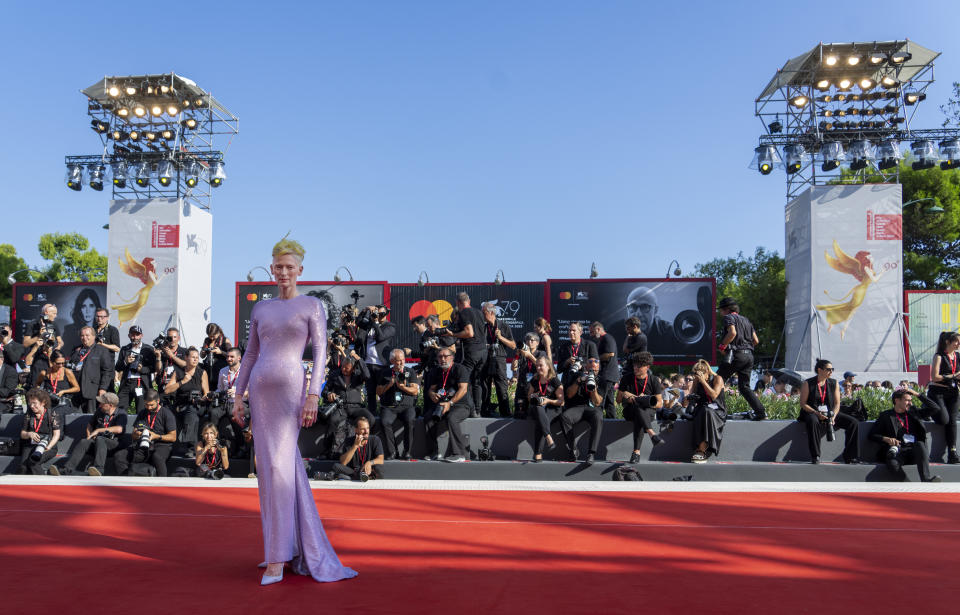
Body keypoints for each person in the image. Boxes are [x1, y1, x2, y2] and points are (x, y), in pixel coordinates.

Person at [231, 236, 357, 585]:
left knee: (279, 466)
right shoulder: (261, 309)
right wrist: (237, 395)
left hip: (291, 390)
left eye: (289, 267)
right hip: (259, 389)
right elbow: (251, 355)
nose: (283, 272)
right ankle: (281, 547)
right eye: (278, 266)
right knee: (271, 469)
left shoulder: (311, 306)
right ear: (271, 269)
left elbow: (320, 354)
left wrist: (313, 394)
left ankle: (277, 558)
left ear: (300, 270)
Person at [868, 389, 941, 482]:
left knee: (920, 444)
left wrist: (917, 394)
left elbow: (935, 408)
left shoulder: (914, 412)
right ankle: (907, 484)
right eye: (907, 400)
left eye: (911, 400)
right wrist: (886, 439)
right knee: (892, 463)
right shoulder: (886, 416)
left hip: (914, 450)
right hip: (897, 450)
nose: (910, 403)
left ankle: (926, 479)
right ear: (897, 400)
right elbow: (872, 435)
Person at [797, 358, 860, 464]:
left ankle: (850, 456)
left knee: (853, 423)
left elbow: (837, 403)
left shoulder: (833, 383)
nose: (831, 372)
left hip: (829, 413)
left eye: (832, 369)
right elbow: (803, 404)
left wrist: (833, 417)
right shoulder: (808, 383)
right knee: (813, 421)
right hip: (812, 411)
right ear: (819, 370)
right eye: (828, 369)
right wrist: (816, 413)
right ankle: (815, 455)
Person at [715, 297, 766, 421]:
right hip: (749, 356)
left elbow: (732, 333)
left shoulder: (729, 318)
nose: (720, 313)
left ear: (726, 309)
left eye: (721, 310)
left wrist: (722, 346)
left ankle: (719, 411)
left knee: (718, 380)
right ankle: (761, 413)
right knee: (744, 387)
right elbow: (756, 341)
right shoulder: (746, 320)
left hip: (736, 355)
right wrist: (745, 348)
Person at [424, 347, 472, 462]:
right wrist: (432, 394)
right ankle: (433, 452)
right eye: (440, 357)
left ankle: (459, 454)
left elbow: (463, 389)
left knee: (451, 418)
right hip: (442, 404)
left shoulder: (460, 369)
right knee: (428, 418)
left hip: (461, 405)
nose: (443, 359)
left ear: (452, 358)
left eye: (446, 356)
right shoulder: (436, 371)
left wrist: (450, 403)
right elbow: (431, 389)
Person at [61, 392, 127, 476]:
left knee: (100, 439)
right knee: (84, 442)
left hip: (114, 445)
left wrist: (99, 430)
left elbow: (119, 429)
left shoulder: (121, 413)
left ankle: (99, 469)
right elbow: (90, 425)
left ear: (110, 405)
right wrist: (89, 436)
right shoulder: (100, 411)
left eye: (102, 403)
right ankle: (66, 469)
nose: (99, 405)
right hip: (98, 444)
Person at [114, 389, 177, 477]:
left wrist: (156, 436)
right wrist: (137, 434)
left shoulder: (167, 413)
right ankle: (126, 481)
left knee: (157, 457)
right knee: (119, 456)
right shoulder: (142, 413)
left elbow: (173, 437)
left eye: (151, 405)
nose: (149, 407)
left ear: (158, 401)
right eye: (146, 404)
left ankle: (162, 483)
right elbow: (133, 434)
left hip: (162, 445)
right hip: (143, 444)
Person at [618, 351, 665, 463]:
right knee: (637, 409)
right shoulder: (626, 378)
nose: (636, 368)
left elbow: (659, 404)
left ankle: (636, 453)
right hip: (630, 410)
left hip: (648, 412)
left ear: (647, 367)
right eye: (634, 365)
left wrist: (647, 400)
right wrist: (625, 394)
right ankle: (652, 434)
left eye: (639, 366)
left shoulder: (653, 380)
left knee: (639, 411)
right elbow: (618, 400)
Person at [322, 356, 375, 457]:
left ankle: (364, 447)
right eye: (342, 367)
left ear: (353, 368)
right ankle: (326, 450)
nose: (343, 369)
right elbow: (324, 391)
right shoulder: (335, 375)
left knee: (371, 419)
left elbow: (367, 376)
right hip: (341, 407)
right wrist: (329, 394)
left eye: (347, 368)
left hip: (356, 407)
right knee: (333, 421)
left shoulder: (358, 375)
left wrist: (359, 359)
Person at [163, 346, 209, 457]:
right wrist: (182, 382)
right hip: (182, 404)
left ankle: (191, 448)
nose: (195, 359)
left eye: (197, 358)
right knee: (173, 411)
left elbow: (206, 393)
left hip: (198, 405)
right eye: (193, 357)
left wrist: (201, 398)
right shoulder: (179, 372)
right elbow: (167, 390)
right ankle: (170, 446)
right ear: (186, 358)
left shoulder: (201, 372)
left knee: (191, 411)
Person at [560, 357, 604, 463]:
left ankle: (591, 453)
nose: (593, 363)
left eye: (596, 361)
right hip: (577, 407)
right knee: (565, 417)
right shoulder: (576, 375)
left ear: (599, 366)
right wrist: (579, 381)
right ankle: (573, 449)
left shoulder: (602, 380)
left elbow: (597, 402)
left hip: (592, 408)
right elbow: (569, 395)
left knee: (598, 417)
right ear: (585, 366)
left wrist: (593, 389)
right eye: (590, 361)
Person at [376, 349, 418, 460]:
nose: (400, 363)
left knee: (410, 420)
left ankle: (407, 451)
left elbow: (415, 391)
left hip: (406, 406)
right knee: (385, 422)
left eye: (402, 360)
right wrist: (390, 384)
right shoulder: (385, 373)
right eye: (397, 360)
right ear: (392, 361)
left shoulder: (410, 371)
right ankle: (392, 451)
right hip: (390, 406)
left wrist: (403, 387)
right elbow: (379, 392)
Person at [448, 292, 486, 416]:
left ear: (458, 303)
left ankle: (471, 410)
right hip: (483, 351)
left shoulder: (463, 312)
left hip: (471, 351)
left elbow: (469, 333)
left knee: (465, 380)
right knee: (477, 381)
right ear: (468, 300)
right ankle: (478, 411)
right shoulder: (479, 313)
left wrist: (453, 334)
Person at [926, 331, 960, 464]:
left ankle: (953, 452)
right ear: (948, 342)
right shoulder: (939, 356)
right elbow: (934, 377)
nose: (958, 344)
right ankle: (926, 407)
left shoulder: (958, 356)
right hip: (938, 392)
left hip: (953, 393)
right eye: (956, 341)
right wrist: (953, 376)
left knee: (952, 421)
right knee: (943, 420)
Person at [356, 304, 396, 415]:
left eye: (382, 314)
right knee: (370, 391)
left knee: (383, 390)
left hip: (381, 364)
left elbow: (380, 337)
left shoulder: (390, 326)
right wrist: (365, 310)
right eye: (378, 313)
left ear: (386, 314)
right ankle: (372, 414)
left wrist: (376, 322)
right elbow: (358, 322)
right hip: (368, 363)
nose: (379, 316)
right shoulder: (370, 324)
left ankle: (385, 413)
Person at [319, 416, 385, 481]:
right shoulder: (349, 441)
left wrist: (369, 463)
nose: (366, 431)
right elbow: (343, 463)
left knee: (378, 468)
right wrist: (355, 446)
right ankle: (358, 477)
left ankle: (349, 477)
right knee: (336, 466)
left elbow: (381, 459)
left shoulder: (375, 439)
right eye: (363, 429)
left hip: (369, 471)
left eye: (367, 428)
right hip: (354, 471)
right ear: (356, 430)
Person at [479, 302, 516, 417]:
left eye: (483, 312)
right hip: (486, 359)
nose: (482, 315)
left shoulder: (503, 325)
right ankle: (485, 411)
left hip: (499, 359)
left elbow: (513, 345)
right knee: (485, 386)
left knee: (501, 386)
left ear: (491, 312)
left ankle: (505, 413)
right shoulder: (483, 327)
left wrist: (500, 337)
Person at [687, 359, 726, 463]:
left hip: (717, 410)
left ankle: (702, 450)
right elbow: (692, 396)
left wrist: (704, 382)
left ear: (707, 372)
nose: (698, 376)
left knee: (706, 412)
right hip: (702, 407)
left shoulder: (718, 378)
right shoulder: (696, 380)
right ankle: (698, 447)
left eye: (701, 373)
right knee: (702, 411)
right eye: (696, 373)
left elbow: (714, 396)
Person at [527, 355, 563, 462]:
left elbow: (561, 401)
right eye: (537, 366)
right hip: (536, 408)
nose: (538, 368)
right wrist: (534, 396)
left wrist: (548, 401)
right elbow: (529, 397)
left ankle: (538, 454)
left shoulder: (555, 381)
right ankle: (549, 437)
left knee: (541, 421)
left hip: (553, 408)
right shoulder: (534, 380)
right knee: (538, 409)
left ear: (548, 366)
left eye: (541, 365)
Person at [18, 388, 62, 475]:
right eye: (30, 403)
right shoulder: (28, 415)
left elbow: (56, 434)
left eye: (34, 403)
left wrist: (48, 447)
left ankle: (44, 484)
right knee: (22, 467)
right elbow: (22, 434)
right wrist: (29, 434)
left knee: (33, 462)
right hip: (31, 444)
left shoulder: (52, 414)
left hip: (48, 445)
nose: (31, 406)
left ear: (43, 402)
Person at [70, 326, 114, 414]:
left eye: (87, 335)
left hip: (92, 391)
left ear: (94, 336)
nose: (84, 338)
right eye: (82, 335)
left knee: (90, 417)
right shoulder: (77, 350)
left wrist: (103, 388)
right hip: (76, 391)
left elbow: (107, 371)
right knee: (74, 418)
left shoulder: (102, 350)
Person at [116, 325, 156, 415]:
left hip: (141, 383)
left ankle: (140, 428)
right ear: (129, 336)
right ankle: (120, 427)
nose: (135, 337)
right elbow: (118, 367)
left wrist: (142, 369)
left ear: (141, 335)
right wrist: (125, 362)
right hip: (127, 383)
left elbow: (154, 368)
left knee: (141, 411)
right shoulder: (125, 349)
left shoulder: (148, 349)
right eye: (133, 335)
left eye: (137, 335)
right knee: (119, 409)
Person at [624, 287, 675, 353]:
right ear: (627, 309)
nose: (638, 314)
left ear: (655, 310)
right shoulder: (615, 332)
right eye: (633, 307)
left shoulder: (670, 334)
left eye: (645, 307)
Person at [589, 321, 619, 418]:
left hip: (607, 374)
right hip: (610, 375)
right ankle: (612, 423)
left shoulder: (607, 338)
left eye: (592, 332)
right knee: (609, 403)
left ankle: (598, 422)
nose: (591, 335)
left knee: (599, 401)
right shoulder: (604, 339)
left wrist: (596, 359)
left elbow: (610, 355)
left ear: (598, 329)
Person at [514, 333, 546, 420]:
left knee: (534, 413)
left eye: (532, 340)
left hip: (534, 386)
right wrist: (517, 355)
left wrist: (530, 355)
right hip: (522, 385)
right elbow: (513, 367)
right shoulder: (522, 354)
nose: (529, 342)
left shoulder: (541, 353)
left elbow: (542, 366)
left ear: (537, 343)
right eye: (527, 340)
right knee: (519, 411)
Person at [0, 323, 25, 413]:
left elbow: (14, 359)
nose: (3, 333)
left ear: (10, 332)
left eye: (5, 331)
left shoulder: (18, 346)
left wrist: (6, 343)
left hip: (8, 380)